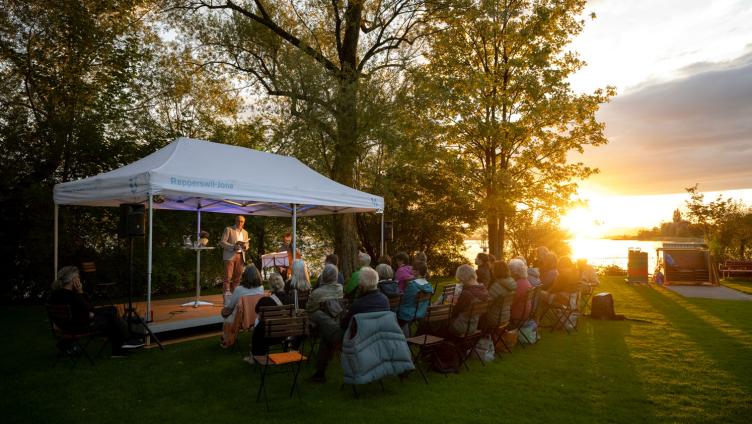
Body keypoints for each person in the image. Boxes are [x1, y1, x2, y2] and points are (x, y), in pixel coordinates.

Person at [309, 267, 388, 382]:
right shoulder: (384, 300)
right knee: (328, 332)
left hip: (354, 339)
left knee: (320, 319)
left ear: (362, 285)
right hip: (374, 337)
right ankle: (319, 374)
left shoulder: (359, 304)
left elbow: (344, 326)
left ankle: (319, 374)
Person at [48, 266, 143, 357]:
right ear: (74, 280)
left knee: (112, 311)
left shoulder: (55, 294)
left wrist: (91, 313)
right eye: (78, 277)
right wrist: (80, 291)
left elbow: (84, 310)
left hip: (66, 326)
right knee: (112, 319)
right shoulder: (73, 296)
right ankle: (124, 344)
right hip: (80, 327)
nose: (80, 280)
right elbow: (89, 309)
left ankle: (123, 345)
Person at [248, 273, 292, 360]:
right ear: (283, 283)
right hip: (285, 334)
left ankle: (256, 356)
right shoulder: (291, 299)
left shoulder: (264, 301)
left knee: (259, 324)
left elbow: (257, 311)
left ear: (270, 285)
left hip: (268, 335)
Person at [220, 265, 265, 348]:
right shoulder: (261, 288)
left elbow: (231, 307)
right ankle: (226, 337)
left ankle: (226, 338)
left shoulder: (239, 289)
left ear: (245, 276)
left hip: (241, 319)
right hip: (256, 317)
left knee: (227, 312)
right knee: (230, 312)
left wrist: (227, 300)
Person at [449, 264, 490, 336]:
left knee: (436, 323)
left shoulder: (466, 294)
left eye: (460, 279)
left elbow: (452, 312)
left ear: (462, 278)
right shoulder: (484, 290)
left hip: (461, 326)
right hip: (474, 325)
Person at [397, 261, 433, 328]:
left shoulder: (412, 285)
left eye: (413, 269)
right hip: (421, 312)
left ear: (417, 272)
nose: (411, 270)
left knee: (393, 311)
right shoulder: (429, 286)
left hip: (409, 314)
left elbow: (404, 301)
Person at [219, 215, 249, 294]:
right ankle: (226, 295)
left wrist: (245, 247)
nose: (240, 223)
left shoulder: (245, 232)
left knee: (238, 277)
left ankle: (235, 295)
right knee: (228, 277)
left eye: (242, 221)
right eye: (238, 221)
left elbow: (247, 244)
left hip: (240, 256)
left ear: (244, 223)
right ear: (235, 221)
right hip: (230, 255)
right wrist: (233, 246)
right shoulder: (228, 229)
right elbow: (222, 242)